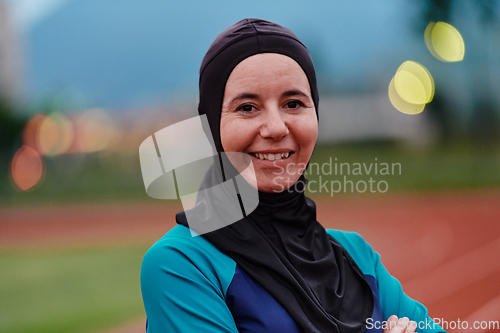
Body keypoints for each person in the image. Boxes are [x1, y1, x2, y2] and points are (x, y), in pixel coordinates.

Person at [140, 18, 447, 333]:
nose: (275, 128)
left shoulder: (357, 257)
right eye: (247, 107)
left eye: (293, 103)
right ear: (211, 124)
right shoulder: (182, 264)